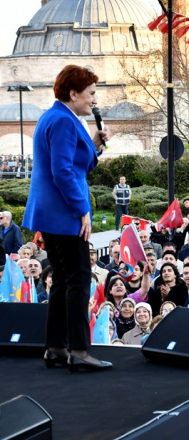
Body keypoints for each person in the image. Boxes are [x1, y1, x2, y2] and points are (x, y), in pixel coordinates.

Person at [22, 64, 111, 372]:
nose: (94, 100)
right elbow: (62, 173)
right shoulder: (63, 121)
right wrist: (81, 209)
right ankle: (79, 350)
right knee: (77, 280)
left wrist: (95, 147)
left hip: (51, 214)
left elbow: (74, 166)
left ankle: (56, 347)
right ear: (73, 93)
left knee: (62, 279)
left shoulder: (55, 116)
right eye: (91, 94)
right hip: (64, 214)